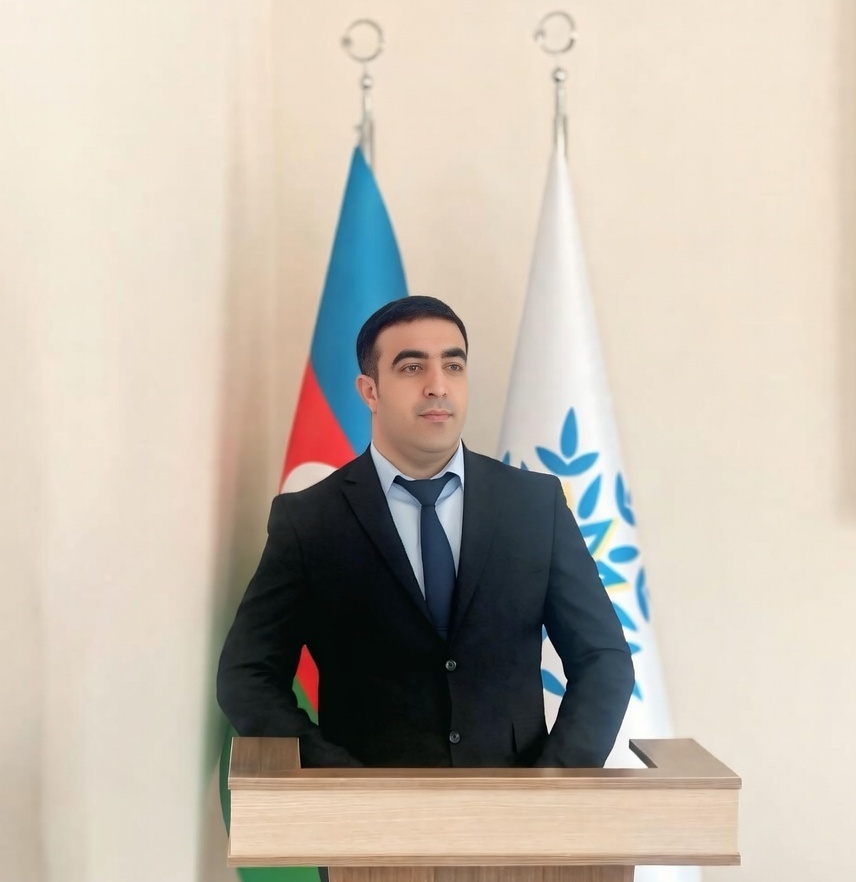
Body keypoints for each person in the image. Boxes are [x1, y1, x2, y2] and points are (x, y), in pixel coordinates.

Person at [217, 295, 634, 770]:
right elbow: (247, 675)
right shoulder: (309, 519)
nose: (438, 386)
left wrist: (554, 783)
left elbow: (603, 658)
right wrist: (336, 780)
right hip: (366, 807)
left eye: (453, 366)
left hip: (516, 803)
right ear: (370, 391)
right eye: (412, 368)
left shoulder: (535, 505)